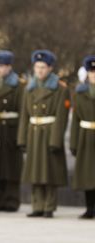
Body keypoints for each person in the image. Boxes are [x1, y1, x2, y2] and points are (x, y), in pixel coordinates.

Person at [17, 50, 70, 218]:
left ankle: (49, 206)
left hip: (49, 132)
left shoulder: (59, 89)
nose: (39, 70)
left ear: (50, 68)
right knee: (35, 171)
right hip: (34, 132)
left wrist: (56, 139)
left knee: (50, 171)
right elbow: (25, 115)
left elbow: (62, 116)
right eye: (37, 66)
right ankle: (37, 205)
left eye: (43, 67)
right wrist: (22, 138)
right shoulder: (29, 88)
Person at [0, 50, 24, 212]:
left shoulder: (18, 85)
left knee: (11, 167)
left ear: (9, 67)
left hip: (11, 129)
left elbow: (23, 110)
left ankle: (12, 200)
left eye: (1, 66)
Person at [70, 55, 95, 219]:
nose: (94, 75)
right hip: (86, 136)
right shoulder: (80, 93)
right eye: (91, 72)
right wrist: (74, 142)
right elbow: (76, 120)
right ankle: (89, 208)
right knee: (87, 174)